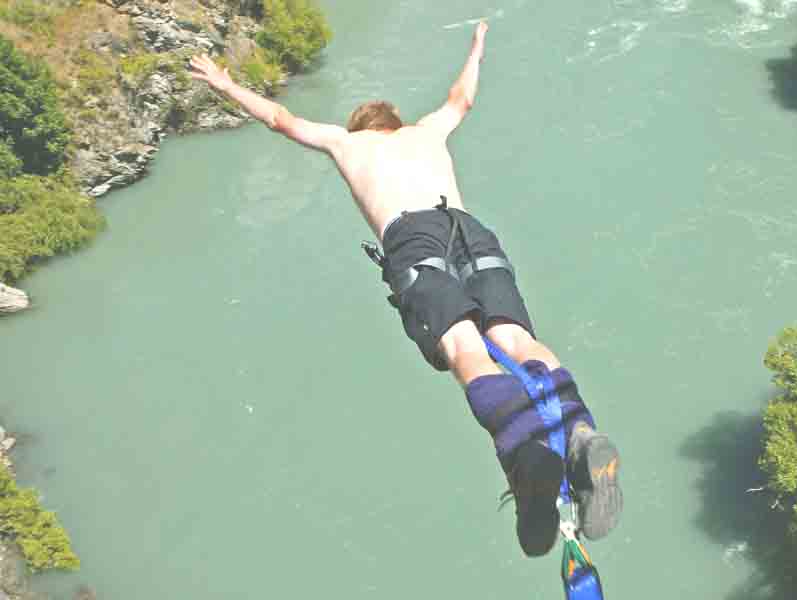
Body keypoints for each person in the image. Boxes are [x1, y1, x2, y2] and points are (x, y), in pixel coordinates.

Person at [189, 22, 622, 557]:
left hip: (413, 241)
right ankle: (579, 432)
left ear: (363, 126)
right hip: (469, 228)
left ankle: (525, 454)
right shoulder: (427, 131)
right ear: (394, 122)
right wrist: (477, 47)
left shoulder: (346, 142)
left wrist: (225, 85)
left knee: (466, 350)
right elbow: (461, 99)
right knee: (514, 338)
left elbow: (281, 120)